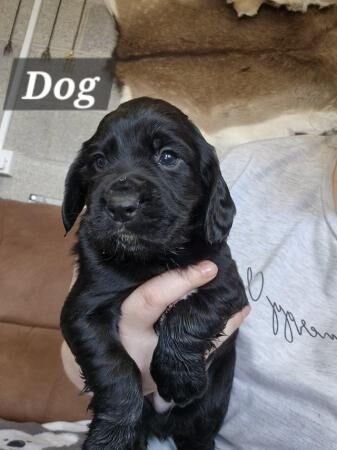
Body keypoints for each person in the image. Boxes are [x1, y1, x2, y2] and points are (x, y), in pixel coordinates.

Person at [62, 134, 337, 449]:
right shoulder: (248, 165)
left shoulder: (206, 225)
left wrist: (179, 347)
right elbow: (78, 326)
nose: (122, 199)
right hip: (131, 426)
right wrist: (117, 394)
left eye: (167, 157)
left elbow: (229, 296)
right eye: (100, 161)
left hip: (200, 427)